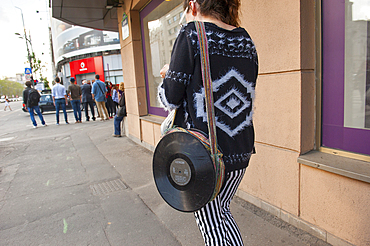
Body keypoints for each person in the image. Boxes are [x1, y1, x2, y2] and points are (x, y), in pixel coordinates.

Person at [158, 0, 258, 245]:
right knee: (221, 213)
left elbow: (171, 97)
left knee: (211, 223)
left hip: (205, 154)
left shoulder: (192, 34)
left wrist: (168, 74)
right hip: (240, 149)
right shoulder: (246, 41)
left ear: (193, 5)